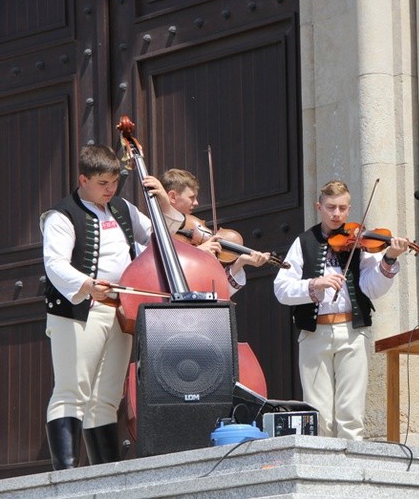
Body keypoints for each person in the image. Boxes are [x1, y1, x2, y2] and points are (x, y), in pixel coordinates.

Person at [41, 145, 184, 469]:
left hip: (120, 310)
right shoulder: (62, 216)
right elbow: (54, 263)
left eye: (114, 182)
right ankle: (64, 476)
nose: (111, 189)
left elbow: (161, 240)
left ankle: (104, 475)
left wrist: (163, 202)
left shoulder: (123, 208)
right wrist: (86, 284)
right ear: (83, 179)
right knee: (71, 389)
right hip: (80, 309)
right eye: (103, 183)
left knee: (106, 396)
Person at [273, 180, 408, 439]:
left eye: (343, 208)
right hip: (314, 333)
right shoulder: (303, 242)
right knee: (318, 411)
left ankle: (352, 470)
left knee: (351, 411)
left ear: (349, 209)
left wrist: (389, 258)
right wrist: (314, 284)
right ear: (319, 207)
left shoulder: (360, 243)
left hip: (351, 331)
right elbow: (281, 289)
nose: (337, 214)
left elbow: (372, 288)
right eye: (331, 207)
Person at [161, 168, 270, 295]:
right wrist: (197, 252)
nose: (196, 203)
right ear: (172, 196)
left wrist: (240, 262)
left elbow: (220, 290)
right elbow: (164, 271)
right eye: (192, 197)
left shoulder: (192, 231)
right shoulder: (153, 232)